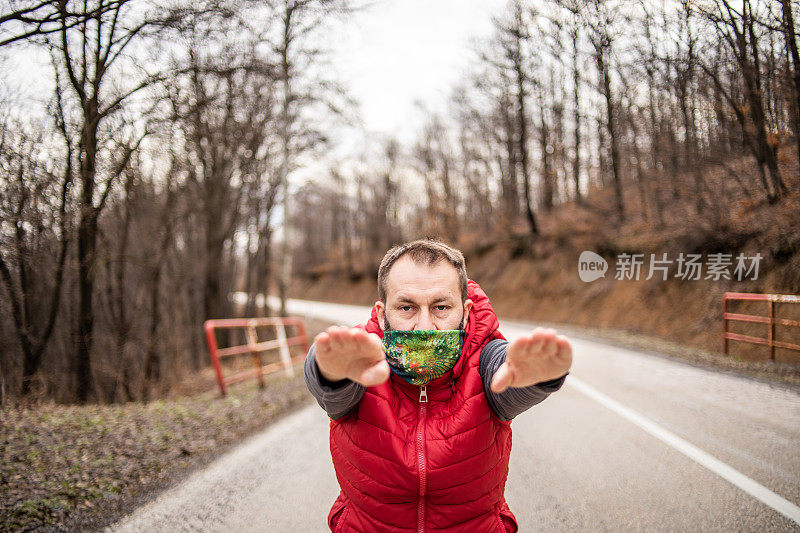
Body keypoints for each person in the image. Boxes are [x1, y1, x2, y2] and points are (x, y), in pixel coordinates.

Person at [304, 239, 572, 532]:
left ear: (466, 311)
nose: (425, 327)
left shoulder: (484, 360)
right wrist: (327, 370)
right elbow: (330, 380)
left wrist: (540, 377)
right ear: (382, 314)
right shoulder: (361, 358)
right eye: (406, 307)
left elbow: (506, 372)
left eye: (441, 307)